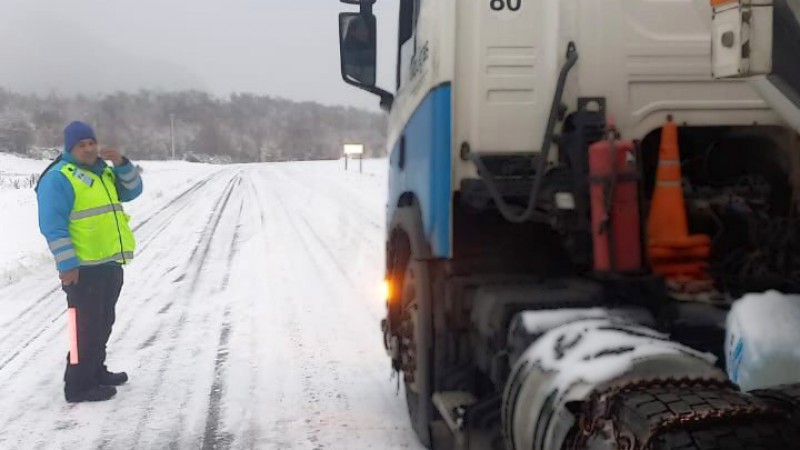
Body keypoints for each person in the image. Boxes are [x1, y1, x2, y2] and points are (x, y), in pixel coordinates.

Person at [36, 121, 143, 403]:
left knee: (103, 322)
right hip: (82, 269)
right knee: (82, 329)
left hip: (108, 264)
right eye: (81, 145)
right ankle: (78, 386)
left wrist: (121, 163)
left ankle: (95, 371)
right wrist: (67, 265)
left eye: (90, 143)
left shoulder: (102, 172)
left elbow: (133, 191)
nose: (88, 148)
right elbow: (52, 225)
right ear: (69, 148)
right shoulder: (59, 177)